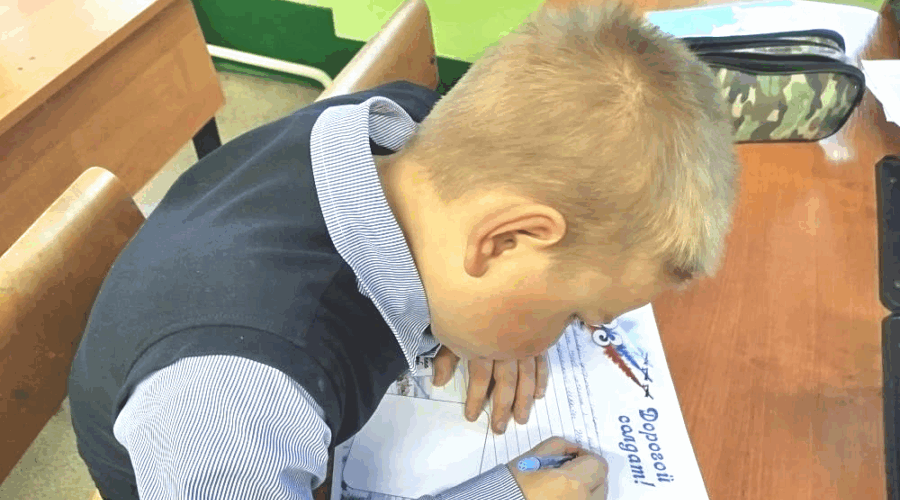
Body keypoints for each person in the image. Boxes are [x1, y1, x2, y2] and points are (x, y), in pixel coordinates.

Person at [67, 1, 740, 499]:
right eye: (570, 316)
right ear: (502, 241)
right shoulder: (238, 402)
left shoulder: (412, 132)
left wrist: (493, 316)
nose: (565, 338)